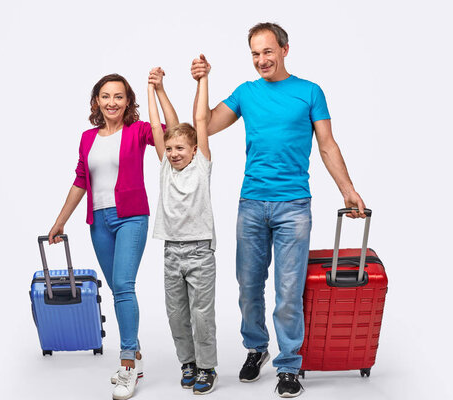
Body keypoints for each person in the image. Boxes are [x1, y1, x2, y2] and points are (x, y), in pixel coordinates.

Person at [190, 22, 367, 397]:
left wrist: (348, 190)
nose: (261, 60)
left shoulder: (310, 92)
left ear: (285, 49)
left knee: (289, 290)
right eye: (255, 54)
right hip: (251, 204)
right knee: (248, 286)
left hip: (293, 207)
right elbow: (202, 125)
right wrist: (202, 80)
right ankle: (256, 348)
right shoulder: (245, 93)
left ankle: (289, 365)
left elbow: (327, 145)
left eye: (267, 51)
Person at [47, 73, 178, 400]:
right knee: (119, 289)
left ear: (128, 102)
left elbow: (173, 131)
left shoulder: (138, 131)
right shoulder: (87, 137)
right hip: (99, 222)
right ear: (96, 102)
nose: (112, 102)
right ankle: (137, 356)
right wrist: (60, 221)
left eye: (119, 96)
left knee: (123, 286)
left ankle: (128, 364)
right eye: (105, 96)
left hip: (131, 217)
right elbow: (80, 180)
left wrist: (159, 91)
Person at [148, 67, 218, 395]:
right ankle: (187, 362)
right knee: (176, 314)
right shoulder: (166, 168)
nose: (175, 153)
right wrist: (156, 89)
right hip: (171, 251)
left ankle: (206, 367)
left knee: (201, 315)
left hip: (200, 250)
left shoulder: (201, 166)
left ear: (193, 150)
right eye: (170, 148)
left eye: (181, 149)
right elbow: (159, 123)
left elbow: (199, 122)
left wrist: (203, 80)